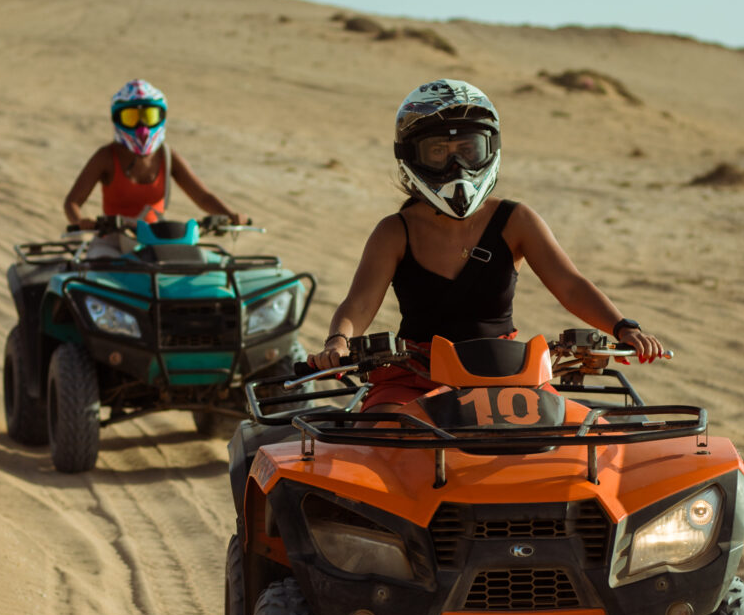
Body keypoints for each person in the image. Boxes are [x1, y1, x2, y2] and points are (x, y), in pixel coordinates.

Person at [310, 78, 664, 410]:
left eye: (467, 149)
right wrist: (337, 342)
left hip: (507, 374)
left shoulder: (516, 220)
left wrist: (624, 327)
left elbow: (570, 285)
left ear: (489, 148)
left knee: (564, 436)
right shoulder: (395, 231)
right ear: (411, 156)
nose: (455, 165)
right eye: (438, 151)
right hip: (415, 377)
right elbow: (359, 304)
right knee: (387, 432)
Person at [63, 79, 244, 231]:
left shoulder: (167, 156)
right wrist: (80, 221)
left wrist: (230, 215)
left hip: (156, 238)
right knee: (101, 260)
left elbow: (203, 197)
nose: (142, 127)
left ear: (161, 116)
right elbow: (72, 202)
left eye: (149, 116)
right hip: (113, 239)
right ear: (117, 119)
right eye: (131, 117)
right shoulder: (106, 157)